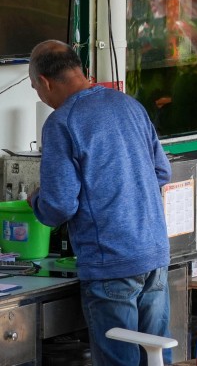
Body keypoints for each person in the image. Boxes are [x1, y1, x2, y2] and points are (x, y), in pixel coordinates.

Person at [28, 41, 172, 365]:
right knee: (156, 358)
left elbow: (59, 206)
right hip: (155, 254)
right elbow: (162, 172)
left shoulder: (62, 123)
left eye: (35, 87)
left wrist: (36, 199)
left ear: (46, 83)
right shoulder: (129, 105)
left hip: (111, 264)